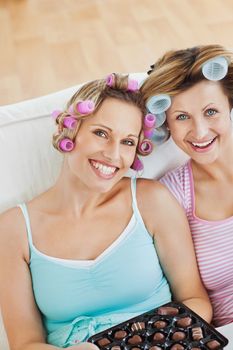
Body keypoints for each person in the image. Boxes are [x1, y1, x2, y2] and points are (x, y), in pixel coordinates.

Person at [0, 73, 212, 350]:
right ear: (69, 130)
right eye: (101, 133)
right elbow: (25, 343)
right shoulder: (14, 229)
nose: (113, 155)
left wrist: (148, 339)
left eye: (127, 142)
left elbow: (195, 300)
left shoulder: (151, 201)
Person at [141, 44, 233, 327]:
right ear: (165, 124)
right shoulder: (171, 195)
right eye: (182, 117)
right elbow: (190, 298)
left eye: (211, 112)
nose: (200, 132)